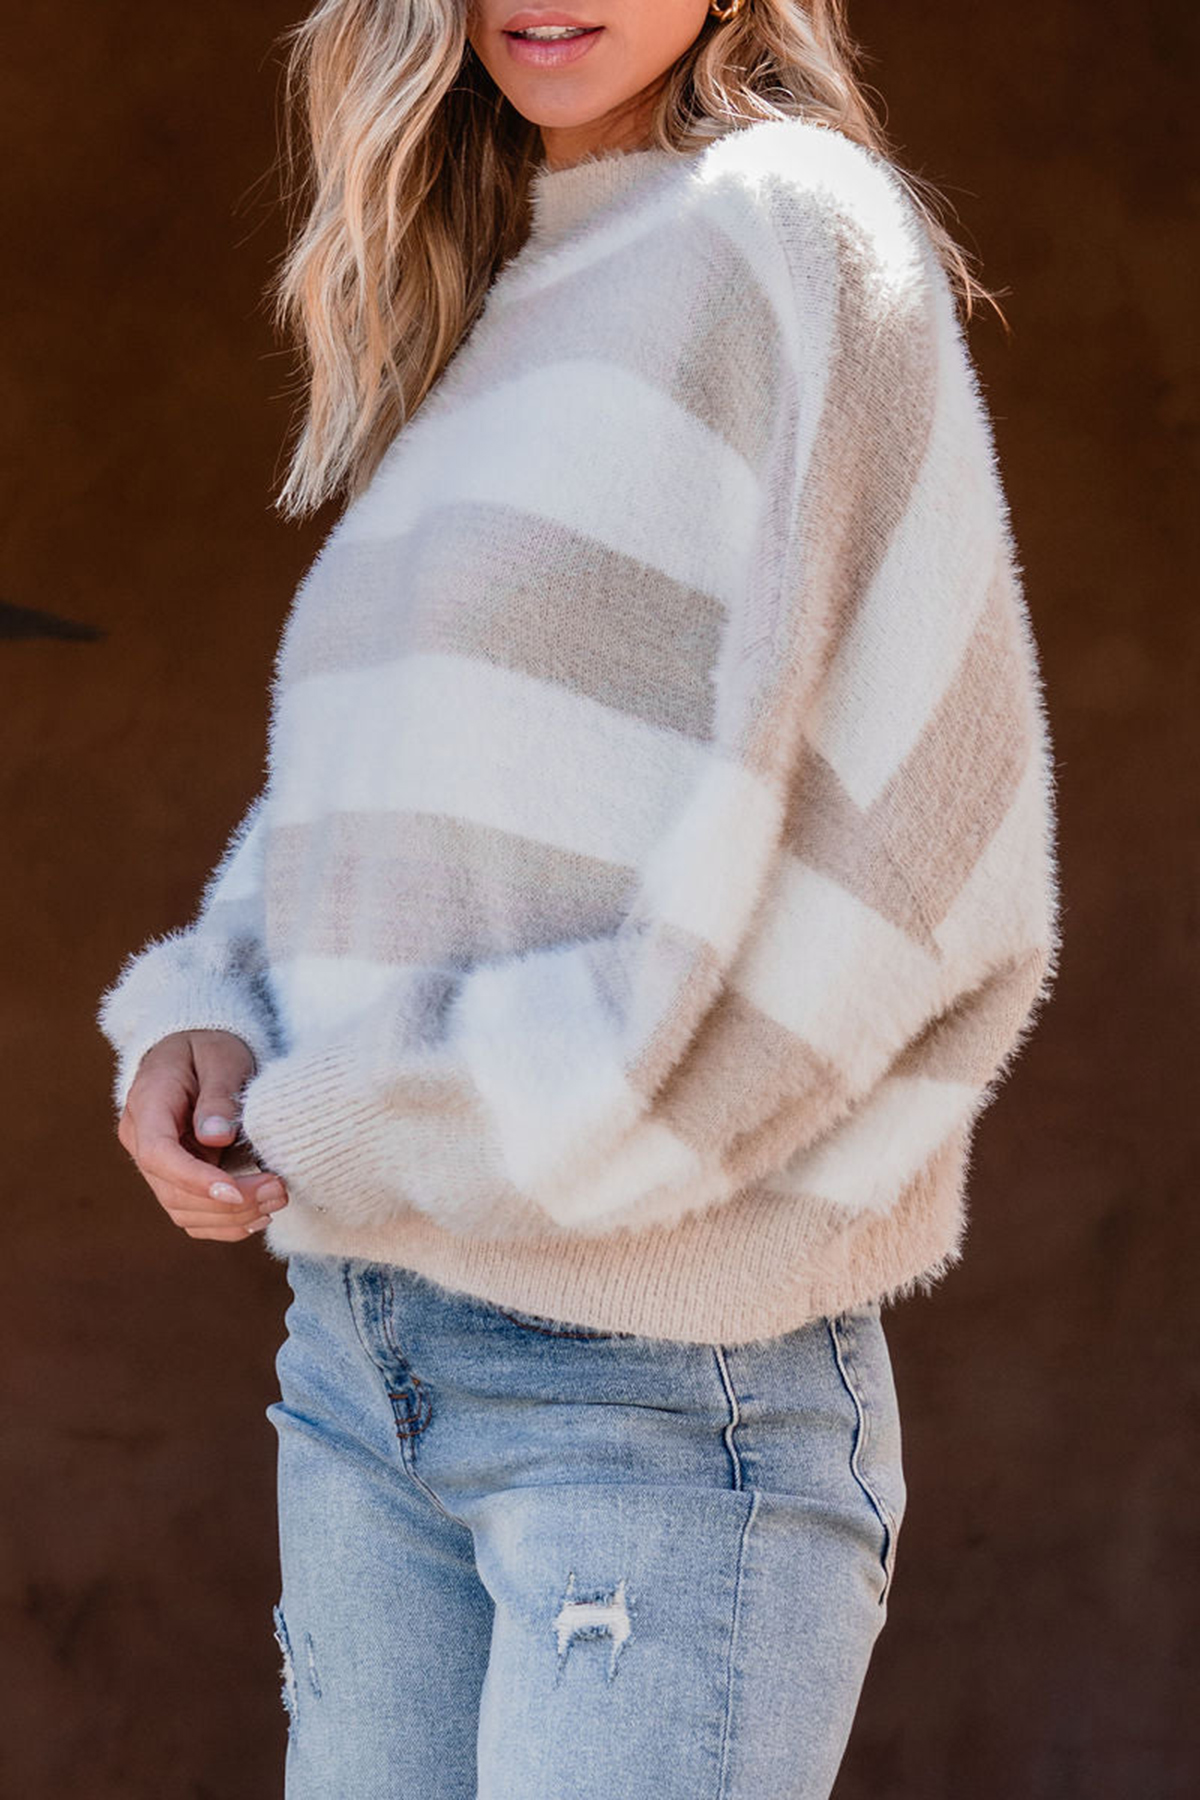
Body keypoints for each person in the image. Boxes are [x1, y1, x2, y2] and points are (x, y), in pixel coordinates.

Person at [97, 1, 1061, 1794]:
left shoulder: (788, 234)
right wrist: (210, 1011)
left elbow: (925, 863)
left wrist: (392, 1122)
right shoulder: (482, 302)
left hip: (658, 1396)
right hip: (363, 1364)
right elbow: (402, 795)